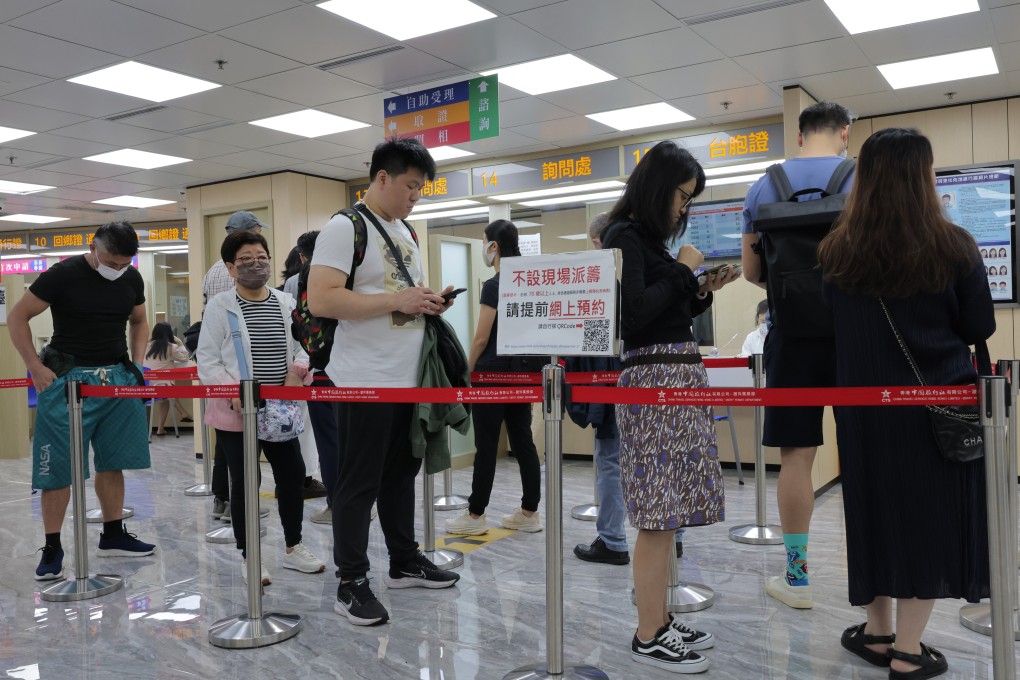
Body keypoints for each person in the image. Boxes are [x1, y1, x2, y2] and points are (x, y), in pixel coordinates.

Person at [818, 127, 993, 679]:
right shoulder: (954, 245)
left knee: (872, 514)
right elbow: (978, 325)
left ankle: (877, 634)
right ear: (923, 176)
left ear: (864, 179)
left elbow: (832, 328)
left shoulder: (836, 251)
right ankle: (909, 651)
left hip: (865, 417)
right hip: (936, 412)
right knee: (931, 522)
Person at [308, 138, 460, 627]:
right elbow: (323, 301)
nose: (416, 196)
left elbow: (400, 295)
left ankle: (403, 559)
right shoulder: (344, 227)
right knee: (357, 483)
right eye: (411, 186)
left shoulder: (406, 230)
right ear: (381, 178)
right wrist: (398, 303)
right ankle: (350, 581)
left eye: (421, 189)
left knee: (400, 474)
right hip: (363, 378)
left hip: (406, 376)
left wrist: (426, 301)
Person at [602, 140, 737, 674]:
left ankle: (658, 620)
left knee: (669, 512)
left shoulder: (651, 245)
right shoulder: (624, 237)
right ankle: (646, 633)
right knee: (657, 515)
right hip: (653, 379)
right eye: (683, 196)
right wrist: (684, 270)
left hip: (675, 376)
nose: (684, 208)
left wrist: (699, 290)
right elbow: (634, 316)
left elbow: (663, 307)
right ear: (658, 188)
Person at [740, 100, 854, 610]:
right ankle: (870, 575)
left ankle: (797, 577)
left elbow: (750, 272)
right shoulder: (862, 180)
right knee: (865, 452)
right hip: (855, 336)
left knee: (796, 459)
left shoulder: (764, 186)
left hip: (790, 337)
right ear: (844, 134)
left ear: (801, 135)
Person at [8, 221, 156, 581]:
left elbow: (139, 321)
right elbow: (17, 316)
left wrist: (137, 363)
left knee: (113, 460)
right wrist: (33, 366)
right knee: (57, 468)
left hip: (116, 379)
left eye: (124, 264)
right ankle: (53, 545)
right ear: (93, 248)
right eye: (111, 262)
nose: (117, 270)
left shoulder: (130, 278)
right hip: (67, 379)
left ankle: (113, 533)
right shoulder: (62, 275)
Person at [197, 229, 326, 585]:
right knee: (245, 482)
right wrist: (231, 390)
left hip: (281, 408)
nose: (256, 264)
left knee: (291, 476)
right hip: (236, 410)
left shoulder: (286, 303)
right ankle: (249, 554)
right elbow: (206, 359)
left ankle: (293, 546)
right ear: (230, 267)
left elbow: (305, 347)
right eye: (246, 260)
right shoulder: (220, 307)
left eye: (262, 258)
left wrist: (297, 372)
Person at [572, 212, 684, 566]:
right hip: (654, 379)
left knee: (610, 461)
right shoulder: (653, 272)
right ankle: (673, 537)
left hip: (615, 383)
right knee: (661, 458)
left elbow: (592, 342)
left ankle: (612, 539)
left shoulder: (597, 281)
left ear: (597, 243)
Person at [445, 220, 542, 536]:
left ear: (494, 246)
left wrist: (467, 371)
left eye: (484, 241)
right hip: (522, 374)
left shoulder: (495, 284)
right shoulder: (529, 283)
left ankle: (475, 516)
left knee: (485, 445)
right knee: (522, 440)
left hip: (491, 374)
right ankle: (530, 511)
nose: (483, 247)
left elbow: (481, 338)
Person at [202, 210, 273, 522]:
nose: (256, 262)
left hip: (230, 379)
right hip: (235, 373)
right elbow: (212, 350)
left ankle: (223, 500)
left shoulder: (212, 270)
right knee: (241, 454)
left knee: (226, 449)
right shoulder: (232, 284)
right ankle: (237, 507)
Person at [284, 229, 337, 524]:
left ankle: (335, 504)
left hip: (318, 369)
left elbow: (296, 327)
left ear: (302, 256)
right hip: (356, 371)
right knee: (355, 441)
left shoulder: (299, 279)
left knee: (328, 441)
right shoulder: (349, 274)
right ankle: (364, 502)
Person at [143, 322, 192, 435]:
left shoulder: (146, 346)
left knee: (165, 394)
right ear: (170, 334)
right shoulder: (171, 347)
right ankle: (162, 427)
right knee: (166, 392)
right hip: (162, 386)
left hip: (146, 385)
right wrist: (180, 343)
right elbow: (185, 358)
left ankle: (181, 414)